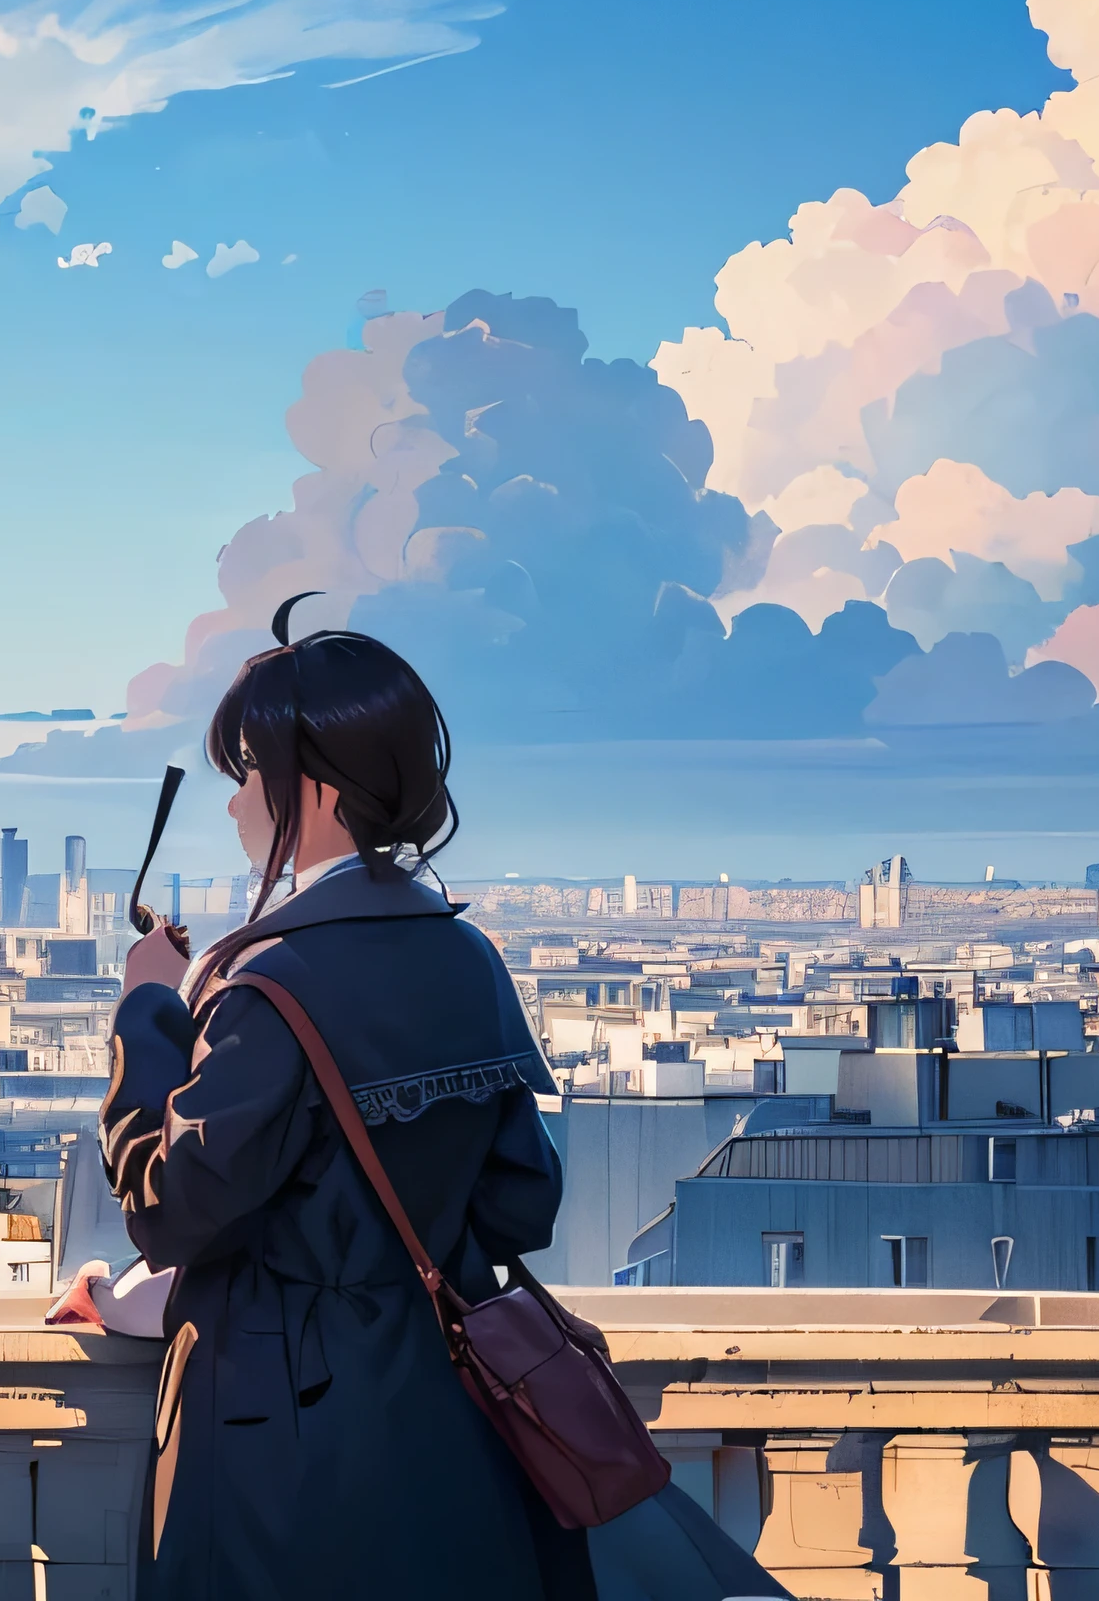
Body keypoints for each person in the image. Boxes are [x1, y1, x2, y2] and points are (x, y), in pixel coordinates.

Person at [102, 608, 785, 1599]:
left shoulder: (264, 986)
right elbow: (520, 1204)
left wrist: (145, 1015)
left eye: (248, 772)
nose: (235, 804)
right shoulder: (465, 957)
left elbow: (167, 1210)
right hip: (452, 1424)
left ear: (318, 787)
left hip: (277, 1446)